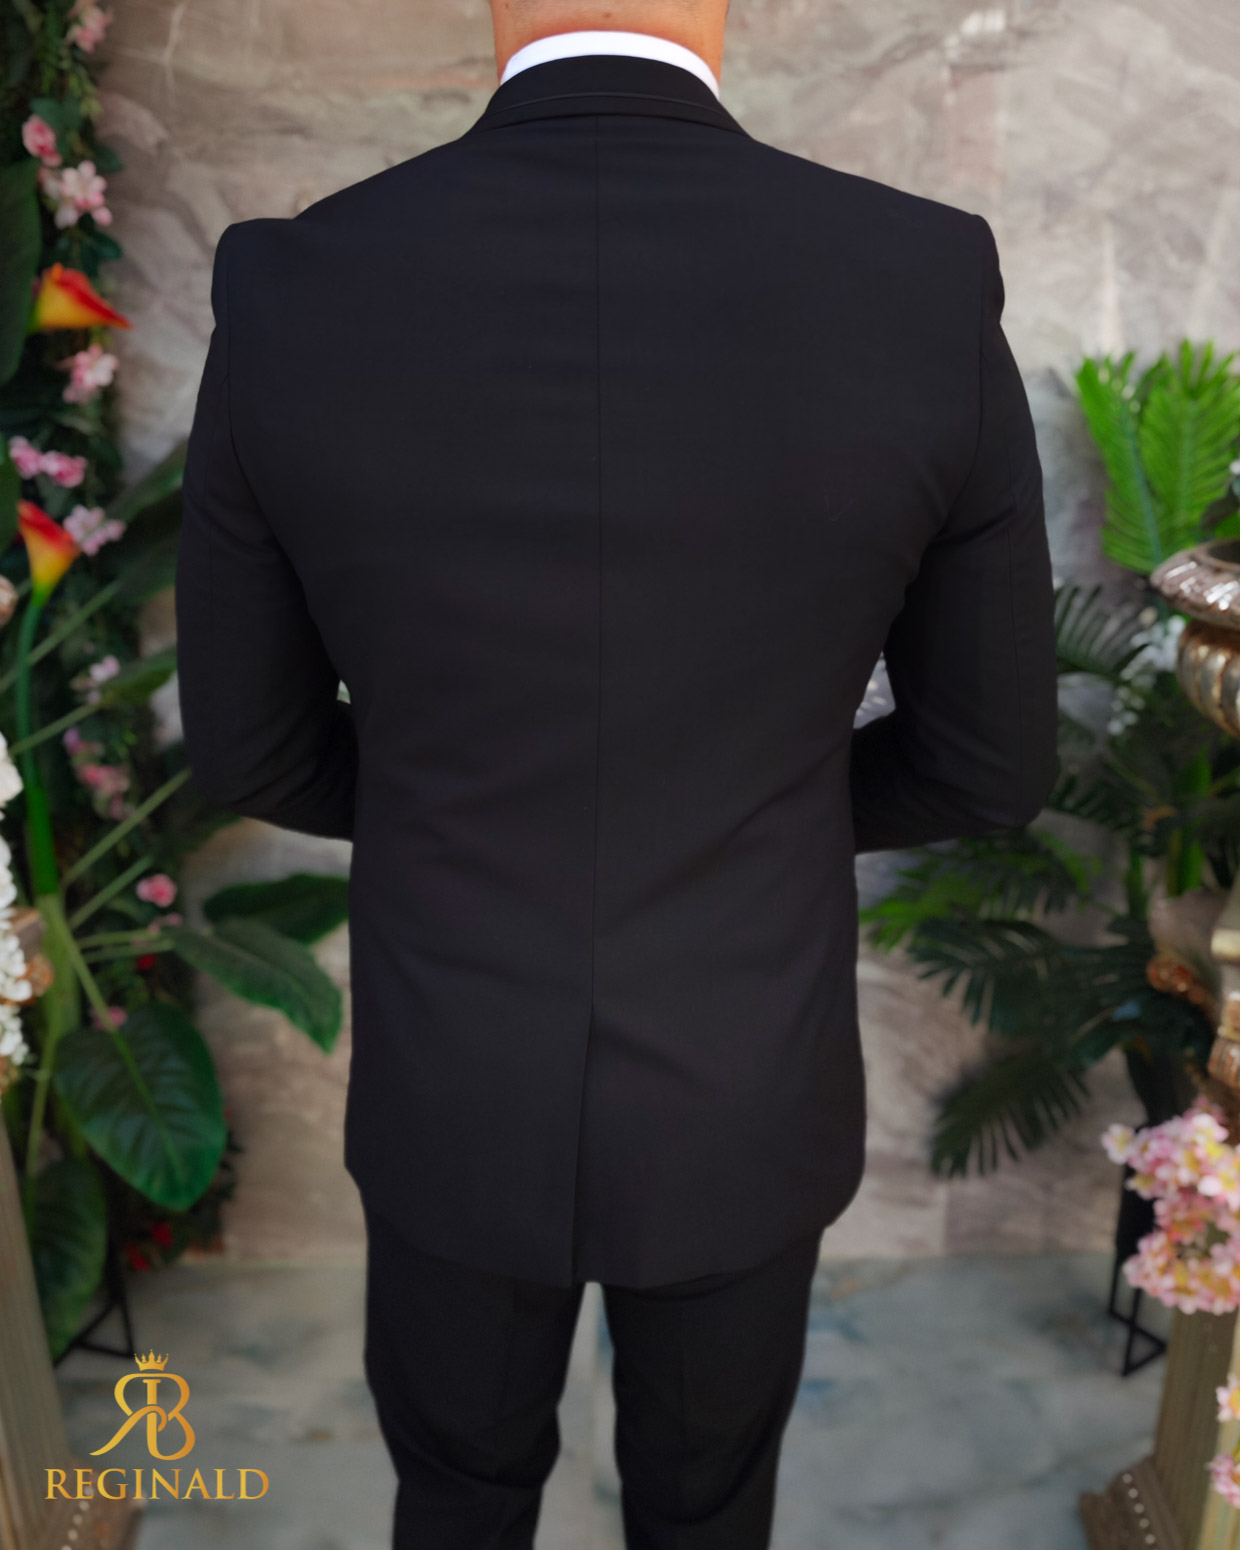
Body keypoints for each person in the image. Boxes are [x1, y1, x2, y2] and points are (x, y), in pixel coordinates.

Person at [174, 0, 1059, 1542]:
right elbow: (989, 763)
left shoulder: (290, 282)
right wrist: (767, 811)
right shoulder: (919, 277)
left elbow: (252, 742)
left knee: (457, 1494)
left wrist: (452, 807)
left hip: (454, 1071)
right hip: (743, 1075)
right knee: (706, 1507)